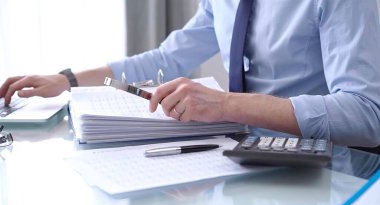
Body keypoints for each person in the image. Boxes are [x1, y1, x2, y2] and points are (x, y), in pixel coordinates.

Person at [1, 0, 380, 147]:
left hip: (326, 170)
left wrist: (227, 105)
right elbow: (164, 59)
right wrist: (66, 79)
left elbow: (366, 114)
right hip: (238, 160)